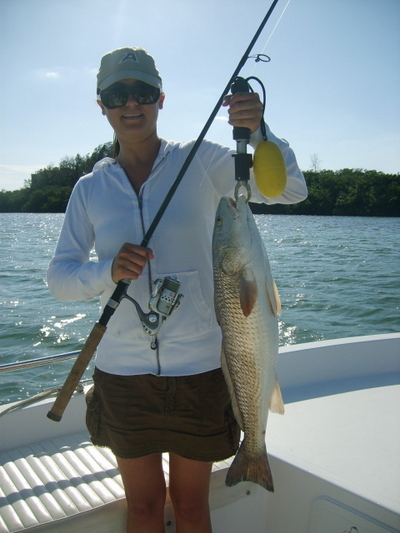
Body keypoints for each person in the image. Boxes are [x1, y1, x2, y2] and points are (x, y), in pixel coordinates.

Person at [47, 47, 307, 533]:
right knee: (143, 508)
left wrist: (259, 133)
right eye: (117, 94)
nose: (131, 103)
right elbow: (59, 278)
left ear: (161, 99)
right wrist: (107, 271)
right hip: (123, 376)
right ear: (101, 105)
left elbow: (291, 189)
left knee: (190, 507)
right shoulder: (89, 189)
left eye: (143, 92)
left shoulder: (201, 161)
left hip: (200, 372)